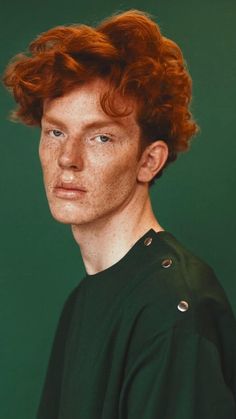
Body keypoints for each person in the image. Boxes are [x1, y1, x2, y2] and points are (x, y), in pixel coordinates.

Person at [3, 9, 236, 419]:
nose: (68, 159)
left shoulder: (172, 311)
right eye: (55, 132)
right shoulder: (85, 298)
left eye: (101, 137)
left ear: (149, 161)